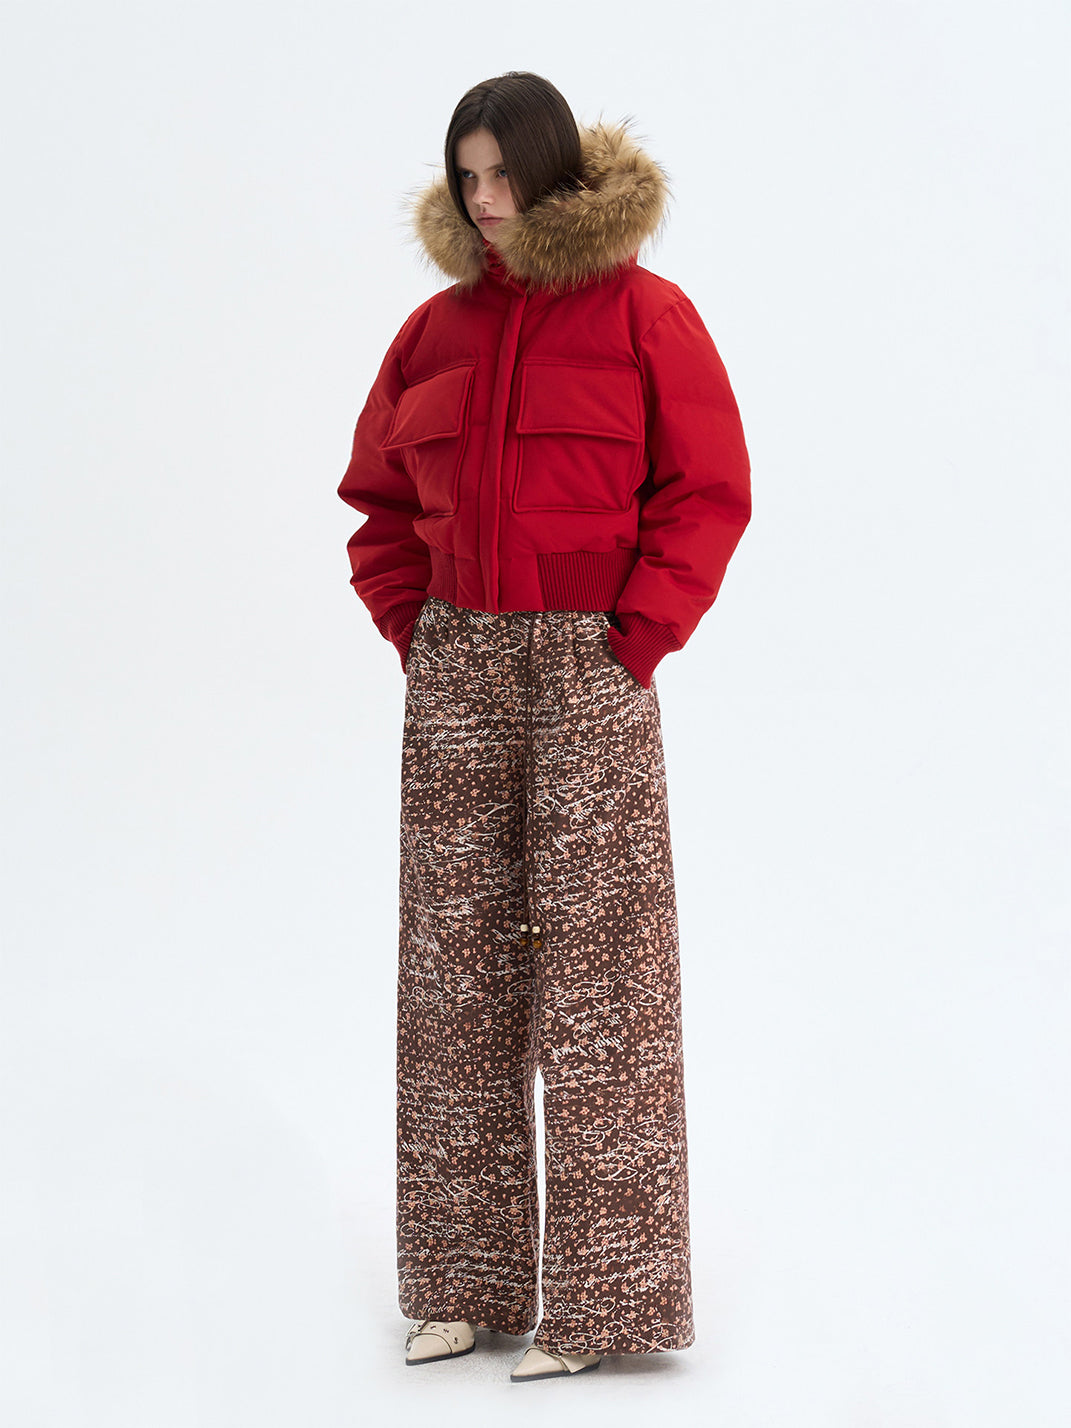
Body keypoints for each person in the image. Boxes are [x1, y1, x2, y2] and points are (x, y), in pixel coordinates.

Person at [337, 71, 751, 1383]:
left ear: (554, 171)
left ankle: (605, 1305)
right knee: (452, 976)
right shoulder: (432, 332)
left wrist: (633, 640)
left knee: (602, 981)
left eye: (504, 174)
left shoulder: (646, 315)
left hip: (590, 665)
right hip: (459, 666)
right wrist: (420, 632)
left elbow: (708, 492)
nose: (485, 200)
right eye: (466, 178)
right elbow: (377, 503)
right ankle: (463, 1282)